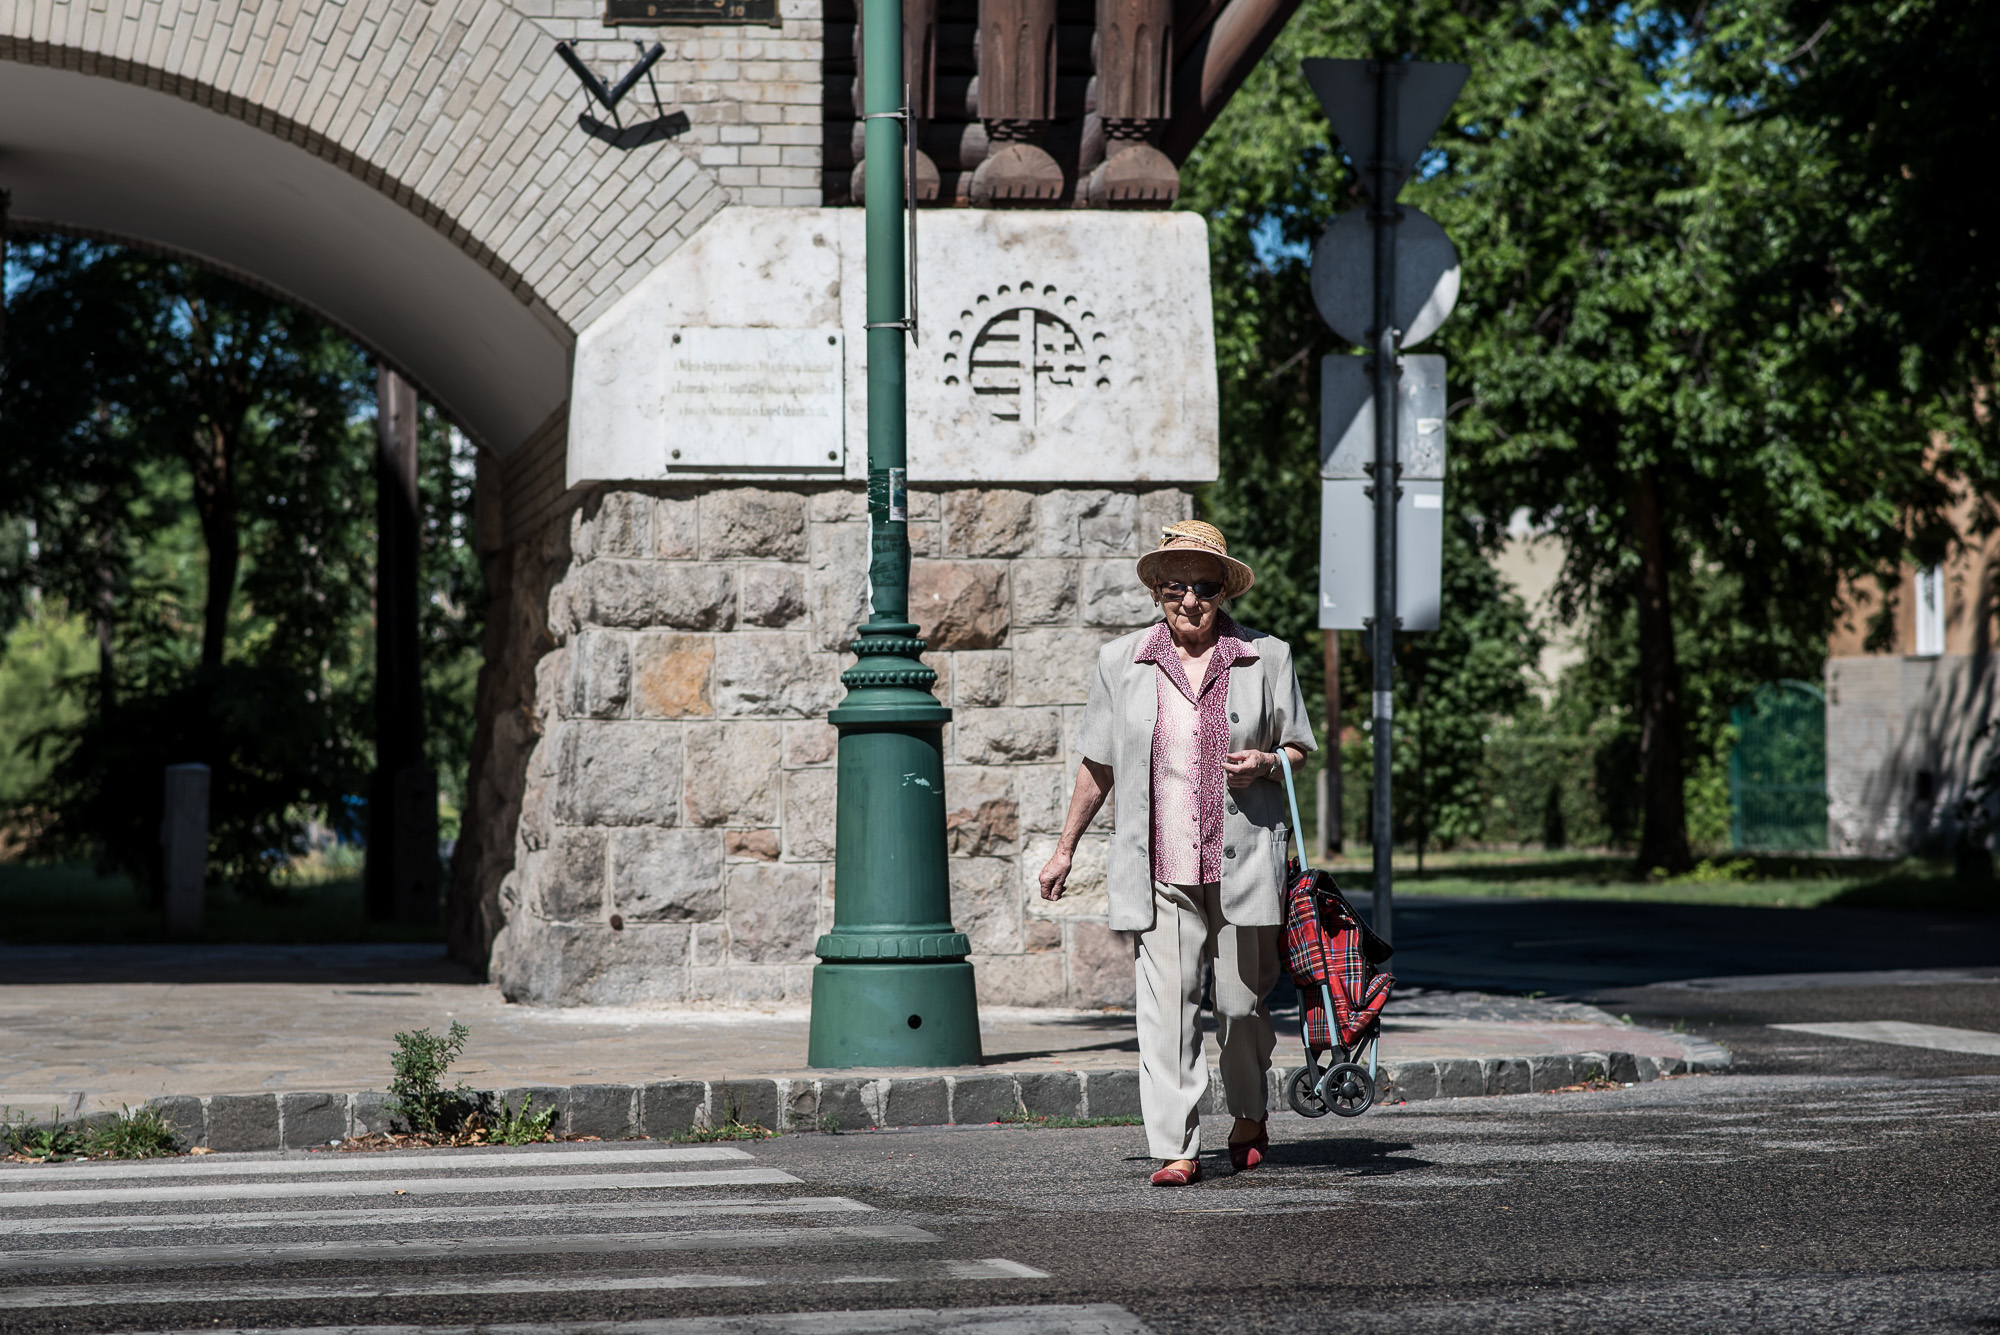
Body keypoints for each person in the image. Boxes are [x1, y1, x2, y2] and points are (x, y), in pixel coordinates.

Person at [1038, 519, 1314, 1186]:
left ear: (1224, 591)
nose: (1188, 600)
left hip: (1243, 862)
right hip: (1160, 865)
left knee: (1241, 1005)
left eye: (1203, 587)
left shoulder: (1265, 656)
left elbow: (1300, 747)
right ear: (1157, 590)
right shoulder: (1121, 662)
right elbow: (1098, 764)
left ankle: (1249, 1112)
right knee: (1165, 1010)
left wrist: (1271, 762)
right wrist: (1065, 847)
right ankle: (1176, 1145)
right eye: (1174, 587)